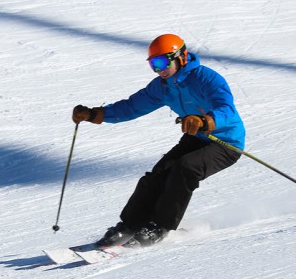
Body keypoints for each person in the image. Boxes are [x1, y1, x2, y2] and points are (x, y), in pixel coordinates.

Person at [72, 33, 245, 247]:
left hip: (225, 143)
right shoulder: (163, 86)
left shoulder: (206, 78)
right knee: (158, 174)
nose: (158, 69)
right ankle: (130, 225)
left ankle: (160, 227)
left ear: (180, 57)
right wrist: (95, 114)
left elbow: (226, 108)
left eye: (162, 62)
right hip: (197, 137)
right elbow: (132, 106)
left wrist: (206, 120)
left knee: (185, 168)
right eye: (153, 64)